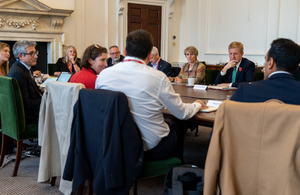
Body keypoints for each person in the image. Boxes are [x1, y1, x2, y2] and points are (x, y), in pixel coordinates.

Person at [95, 29, 208, 161]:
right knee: (176, 125)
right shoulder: (158, 77)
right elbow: (182, 113)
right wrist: (197, 104)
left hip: (115, 143)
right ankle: (175, 170)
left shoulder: (103, 75)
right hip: (150, 148)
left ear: (125, 51)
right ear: (149, 54)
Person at [230, 38, 300, 104]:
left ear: (271, 63)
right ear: (296, 67)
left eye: (266, 60)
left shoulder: (245, 91)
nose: (264, 66)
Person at [7, 40, 42, 124]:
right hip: (29, 117)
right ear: (21, 56)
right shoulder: (19, 73)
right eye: (31, 53)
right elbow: (26, 103)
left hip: (30, 113)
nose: (36, 56)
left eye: (35, 52)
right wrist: (46, 100)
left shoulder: (20, 68)